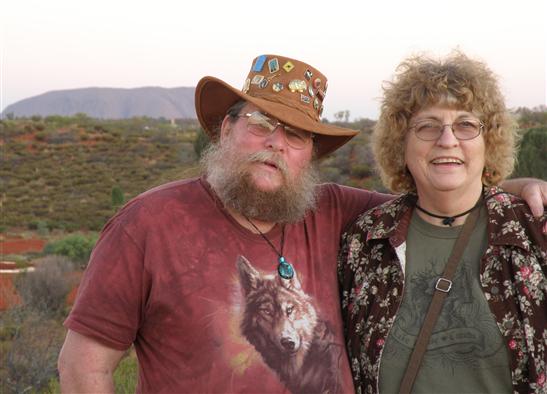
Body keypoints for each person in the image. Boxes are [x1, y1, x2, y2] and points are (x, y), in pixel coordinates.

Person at [57, 54, 546, 394]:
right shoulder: (148, 224)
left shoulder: (337, 214)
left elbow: (440, 195)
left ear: (310, 155)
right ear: (225, 129)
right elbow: (83, 365)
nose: (276, 144)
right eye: (260, 124)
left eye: (295, 135)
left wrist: (518, 189)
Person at [338, 51, 546, 394]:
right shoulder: (364, 241)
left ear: (488, 140)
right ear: (401, 143)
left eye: (465, 124)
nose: (447, 139)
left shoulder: (534, 231)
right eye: (427, 126)